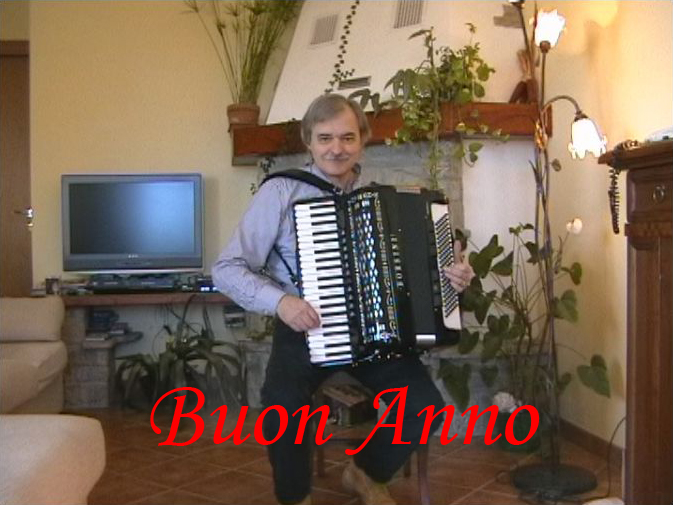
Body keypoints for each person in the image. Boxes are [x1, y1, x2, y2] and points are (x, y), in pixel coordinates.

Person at [212, 94, 475, 505]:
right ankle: (295, 497)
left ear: (363, 141)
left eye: (347, 137)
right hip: (304, 328)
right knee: (282, 408)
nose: (336, 148)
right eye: (325, 138)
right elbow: (226, 268)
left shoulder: (381, 199)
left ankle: (365, 473)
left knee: (424, 406)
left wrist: (454, 278)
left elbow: (420, 276)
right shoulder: (280, 192)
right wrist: (282, 303)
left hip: (374, 332)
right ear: (309, 141)